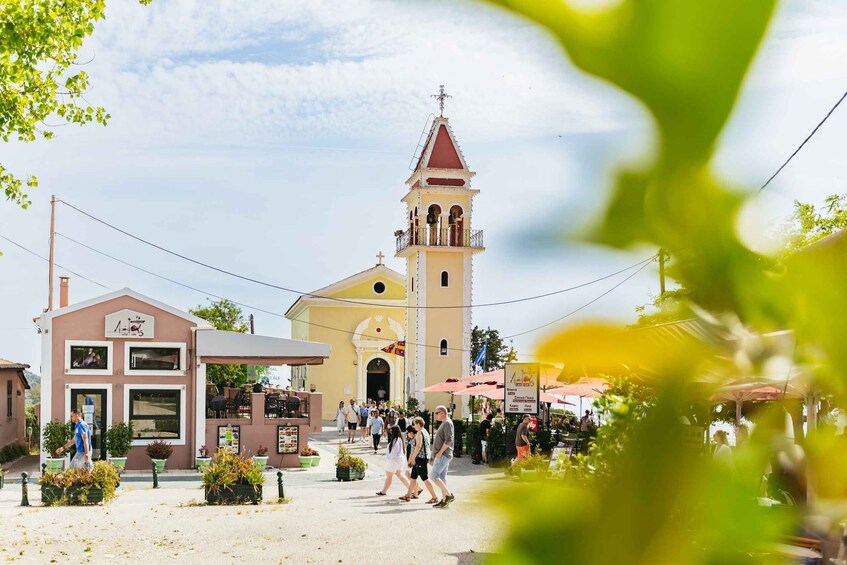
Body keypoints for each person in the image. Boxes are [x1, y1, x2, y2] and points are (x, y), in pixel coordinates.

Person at [400, 417, 437, 504]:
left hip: (420, 459)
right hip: (422, 458)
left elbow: (418, 446)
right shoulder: (425, 431)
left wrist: (413, 457)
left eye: (414, 424)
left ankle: (434, 497)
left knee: (425, 478)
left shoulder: (420, 432)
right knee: (413, 478)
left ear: (418, 424)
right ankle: (408, 495)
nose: (414, 426)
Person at [430, 405, 455, 508]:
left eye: (437, 413)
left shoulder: (447, 423)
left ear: (442, 413)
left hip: (443, 455)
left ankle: (449, 495)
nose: (435, 415)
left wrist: (439, 452)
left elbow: (448, 440)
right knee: (442, 478)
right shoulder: (445, 423)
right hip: (443, 455)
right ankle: (445, 500)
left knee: (433, 476)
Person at [376, 425, 410, 496]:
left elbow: (394, 452)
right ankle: (411, 488)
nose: (390, 432)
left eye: (391, 431)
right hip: (399, 460)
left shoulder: (396, 440)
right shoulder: (399, 439)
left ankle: (384, 491)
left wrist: (388, 457)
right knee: (400, 475)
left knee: (389, 475)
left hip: (394, 460)